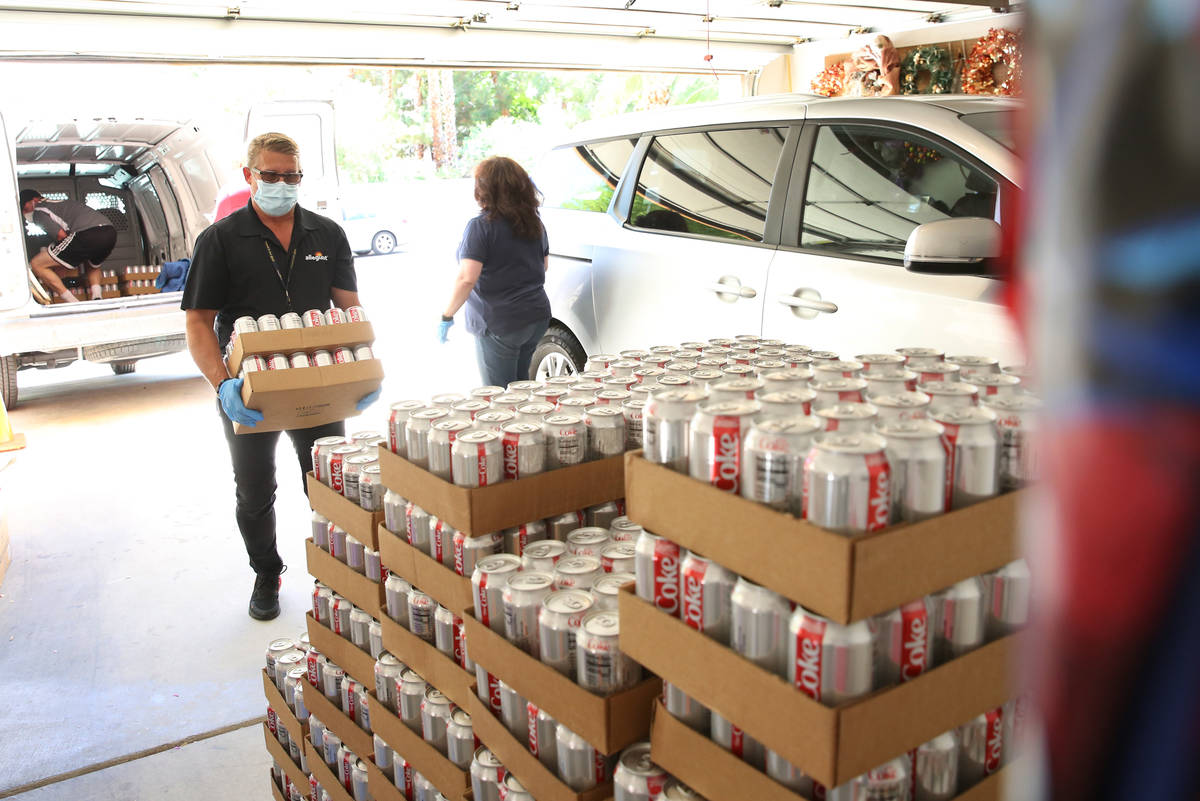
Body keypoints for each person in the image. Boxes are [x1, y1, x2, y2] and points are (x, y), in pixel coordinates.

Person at [181, 132, 379, 621]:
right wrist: (222, 385)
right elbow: (197, 321)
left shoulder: (326, 234)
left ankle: (337, 569)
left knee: (327, 484)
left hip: (320, 380)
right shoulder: (221, 240)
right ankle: (267, 573)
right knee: (254, 490)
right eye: (270, 176)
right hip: (250, 387)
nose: (281, 185)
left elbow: (348, 306)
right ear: (249, 176)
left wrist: (363, 366)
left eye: (291, 177)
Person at [438, 156, 551, 386]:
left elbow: (467, 278)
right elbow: (544, 265)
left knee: (499, 396)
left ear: (484, 190)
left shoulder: (481, 227)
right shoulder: (534, 223)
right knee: (522, 388)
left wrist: (447, 315)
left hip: (500, 323)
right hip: (536, 317)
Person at [20, 189, 116, 302]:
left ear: (35, 200)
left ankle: (73, 302)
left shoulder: (38, 211)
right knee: (93, 264)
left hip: (86, 234)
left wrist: (61, 264)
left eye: (25, 209)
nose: (24, 213)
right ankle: (97, 296)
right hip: (110, 232)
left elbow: (61, 236)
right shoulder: (64, 203)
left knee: (37, 264)